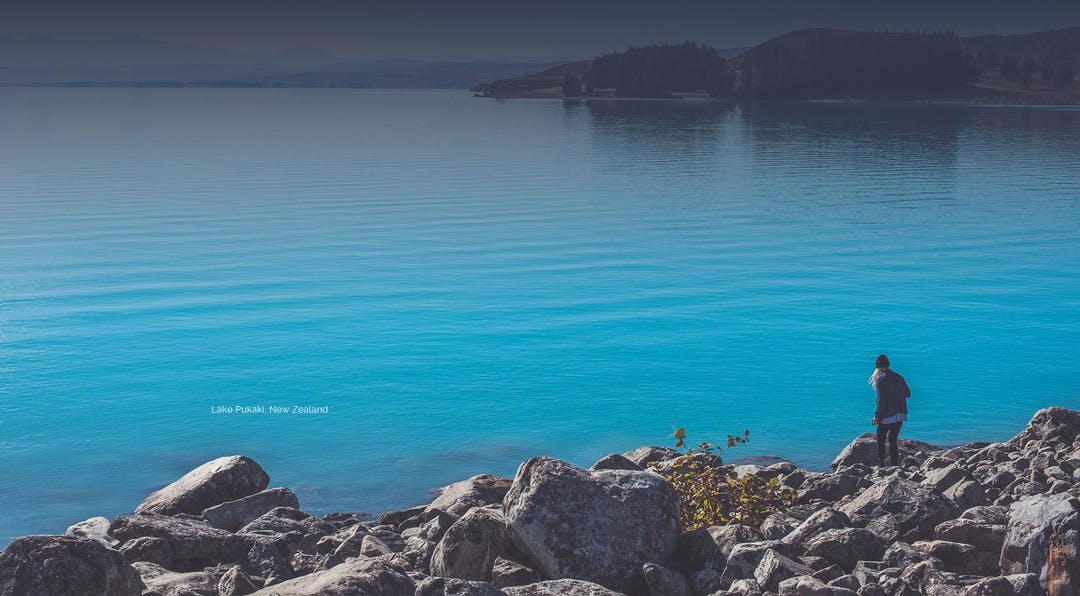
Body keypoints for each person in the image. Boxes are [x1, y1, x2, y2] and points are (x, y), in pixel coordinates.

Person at [869, 354, 911, 467]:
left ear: (877, 367)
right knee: (893, 441)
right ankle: (894, 466)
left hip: (887, 415)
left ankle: (881, 465)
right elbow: (908, 393)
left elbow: (880, 401)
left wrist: (876, 416)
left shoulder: (880, 379)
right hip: (901, 414)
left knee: (880, 441)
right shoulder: (899, 377)